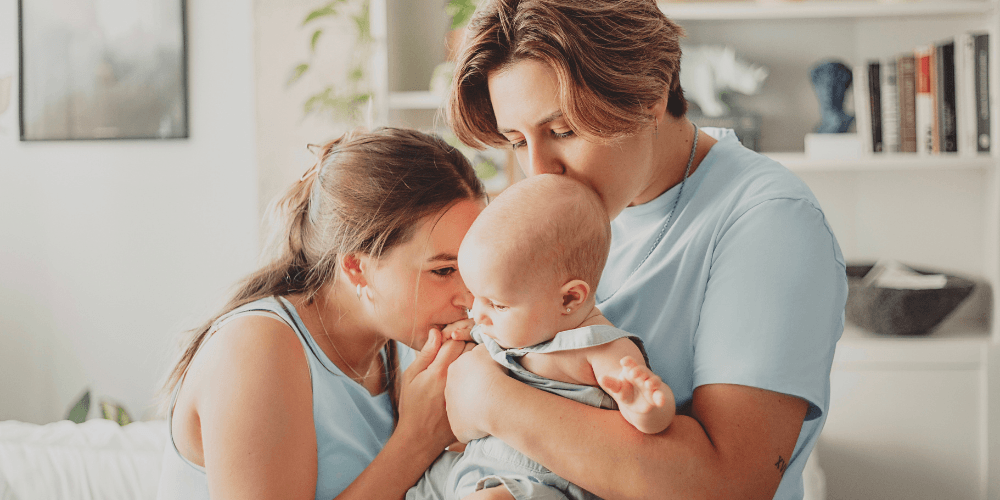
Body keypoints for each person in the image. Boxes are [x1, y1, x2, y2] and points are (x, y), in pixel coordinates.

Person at [443, 1, 849, 499]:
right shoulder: (556, 217)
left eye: (563, 131)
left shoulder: (769, 222)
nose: (540, 170)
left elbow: (731, 484)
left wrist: (488, 398)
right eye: (517, 142)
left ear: (650, 95)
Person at [156, 127, 485, 500]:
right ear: (356, 267)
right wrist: (416, 441)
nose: (472, 297)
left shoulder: (407, 344)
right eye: (443, 271)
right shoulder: (256, 347)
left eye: (475, 268)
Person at [408, 174, 675, 500]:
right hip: (473, 466)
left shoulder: (599, 347)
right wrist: (463, 333)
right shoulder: (510, 328)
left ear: (569, 299)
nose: (477, 312)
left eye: (497, 304)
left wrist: (643, 406)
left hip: (539, 483)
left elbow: (656, 420)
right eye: (476, 296)